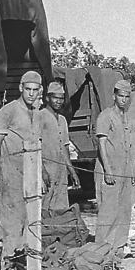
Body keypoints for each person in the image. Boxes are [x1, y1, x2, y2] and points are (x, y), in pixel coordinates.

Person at [0, 71, 50, 270]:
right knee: (12, 224)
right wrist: (0, 171)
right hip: (12, 175)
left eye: (36, 90)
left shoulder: (38, 114)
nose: (32, 94)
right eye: (28, 90)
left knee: (30, 222)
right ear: (21, 88)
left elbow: (37, 144)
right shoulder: (8, 112)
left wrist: (42, 173)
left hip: (31, 175)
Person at [94, 79, 134, 269]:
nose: (123, 100)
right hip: (110, 171)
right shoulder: (106, 116)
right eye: (121, 96)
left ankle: (118, 248)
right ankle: (102, 249)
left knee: (124, 210)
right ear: (114, 96)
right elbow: (102, 144)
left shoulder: (126, 117)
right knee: (108, 212)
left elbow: (128, 146)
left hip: (124, 171)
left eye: (127, 96)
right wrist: (108, 170)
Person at [41, 81, 80, 215]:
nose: (58, 101)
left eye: (61, 98)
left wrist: (72, 171)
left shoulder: (62, 120)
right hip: (46, 170)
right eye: (55, 98)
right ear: (47, 98)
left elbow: (64, 147)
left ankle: (58, 235)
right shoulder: (40, 117)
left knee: (60, 208)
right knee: (44, 207)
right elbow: (35, 147)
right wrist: (42, 172)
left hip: (61, 172)